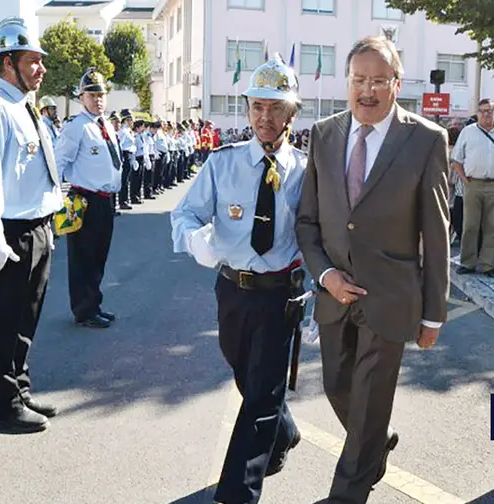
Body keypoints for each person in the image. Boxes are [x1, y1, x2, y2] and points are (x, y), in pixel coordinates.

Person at [296, 36, 450, 503]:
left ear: (396, 84)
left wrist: (433, 314)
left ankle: (348, 491)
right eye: (359, 79)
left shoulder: (425, 140)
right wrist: (325, 275)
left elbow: (436, 232)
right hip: (334, 295)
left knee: (366, 402)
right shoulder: (324, 134)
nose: (368, 90)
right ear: (348, 81)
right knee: (336, 387)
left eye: (379, 81)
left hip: (391, 297)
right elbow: (308, 221)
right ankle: (374, 446)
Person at [170, 54, 306, 504]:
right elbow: (185, 213)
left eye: (275, 108)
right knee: (248, 378)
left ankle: (237, 493)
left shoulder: (307, 171)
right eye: (257, 107)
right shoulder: (222, 163)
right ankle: (283, 432)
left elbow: (315, 233)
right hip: (232, 290)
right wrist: (196, 242)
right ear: (247, 109)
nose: (265, 118)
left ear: (292, 113)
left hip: (279, 296)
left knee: (261, 395)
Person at [0, 16, 63, 433]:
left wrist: (50, 224)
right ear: (8, 63)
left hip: (37, 227)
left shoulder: (26, 110)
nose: (41, 67)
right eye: (32, 60)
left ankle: (19, 390)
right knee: (1, 320)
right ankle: (2, 404)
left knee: (27, 318)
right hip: (8, 232)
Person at [55, 68, 122, 328]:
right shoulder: (77, 127)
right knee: (83, 258)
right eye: (92, 94)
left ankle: (94, 303)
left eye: (101, 94)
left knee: (98, 256)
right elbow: (60, 162)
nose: (98, 99)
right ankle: (83, 310)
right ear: (81, 97)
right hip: (84, 200)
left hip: (105, 200)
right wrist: (53, 201)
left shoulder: (105, 124)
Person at [451, 98, 494, 277]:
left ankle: (487, 264)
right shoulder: (468, 132)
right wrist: (465, 180)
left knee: (492, 226)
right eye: (482, 110)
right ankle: (468, 262)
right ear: (478, 113)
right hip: (473, 184)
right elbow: (456, 159)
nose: (486, 114)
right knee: (470, 225)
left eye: (489, 110)